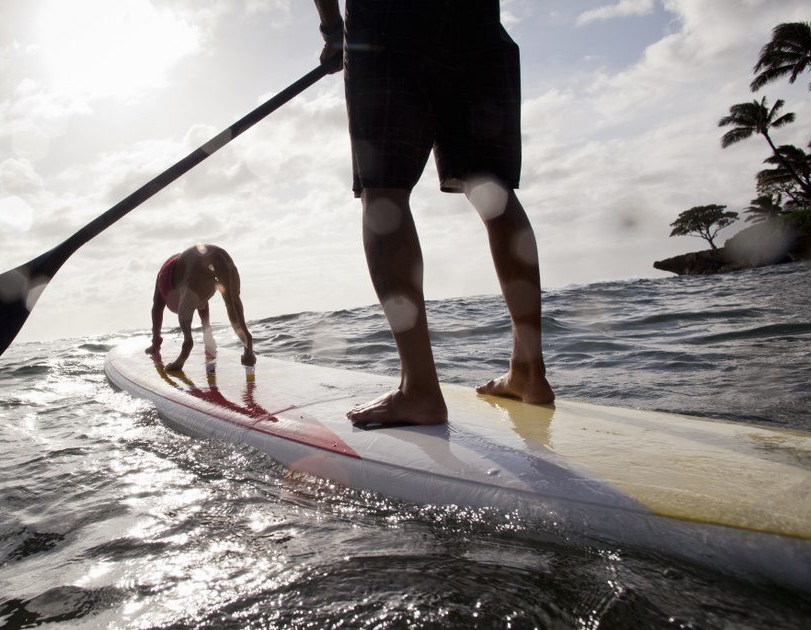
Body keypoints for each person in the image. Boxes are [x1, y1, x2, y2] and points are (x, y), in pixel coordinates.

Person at [312, 0, 554, 426]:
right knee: (490, 188)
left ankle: (419, 389)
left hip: (386, 23)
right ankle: (529, 371)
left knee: (383, 191)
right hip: (475, 21)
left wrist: (334, 33)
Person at [146, 243, 256, 371]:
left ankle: (184, 353)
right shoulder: (175, 272)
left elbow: (157, 309)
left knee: (194, 304)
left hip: (198, 265)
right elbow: (201, 302)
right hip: (224, 257)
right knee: (232, 303)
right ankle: (248, 350)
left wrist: (156, 343)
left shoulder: (163, 279)